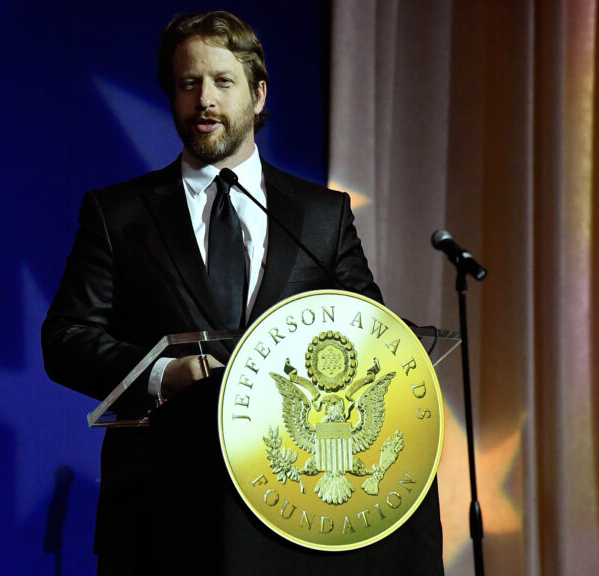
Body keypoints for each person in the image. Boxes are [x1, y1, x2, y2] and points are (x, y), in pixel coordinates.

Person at [42, 10, 444, 575]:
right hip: (161, 518)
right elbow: (65, 339)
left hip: (292, 512)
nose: (204, 99)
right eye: (188, 83)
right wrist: (163, 374)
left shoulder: (321, 216)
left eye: (222, 81)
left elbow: (369, 333)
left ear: (257, 95)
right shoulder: (119, 213)